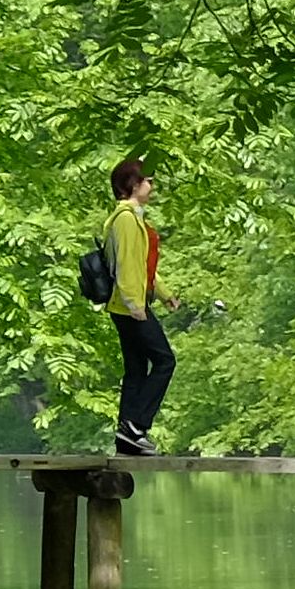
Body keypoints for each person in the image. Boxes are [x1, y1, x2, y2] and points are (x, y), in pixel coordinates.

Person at [101, 155, 174, 456]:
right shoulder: (127, 220)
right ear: (132, 185)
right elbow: (127, 265)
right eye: (146, 180)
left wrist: (164, 293)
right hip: (129, 305)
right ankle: (136, 425)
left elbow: (144, 266)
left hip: (126, 304)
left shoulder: (131, 217)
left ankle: (126, 437)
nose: (151, 184)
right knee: (165, 361)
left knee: (135, 369)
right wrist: (136, 304)